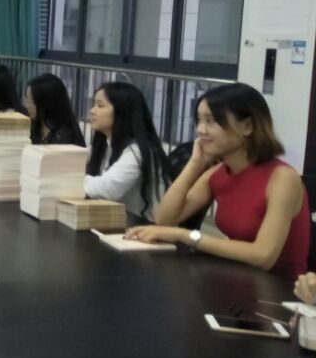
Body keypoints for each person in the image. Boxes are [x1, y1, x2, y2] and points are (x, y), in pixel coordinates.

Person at [126, 83, 311, 278]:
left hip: (280, 289)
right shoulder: (218, 173)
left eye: (211, 121)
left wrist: (186, 236)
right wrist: (195, 164)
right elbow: (164, 219)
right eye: (199, 120)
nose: (201, 130)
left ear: (247, 126)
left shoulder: (283, 178)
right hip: (239, 278)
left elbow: (264, 256)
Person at [84, 82, 171, 221]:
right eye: (94, 105)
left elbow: (107, 189)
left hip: (145, 226)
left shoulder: (138, 151)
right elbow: (77, 160)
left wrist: (69, 180)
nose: (92, 111)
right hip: (118, 222)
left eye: (100, 105)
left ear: (121, 112)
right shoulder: (105, 143)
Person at [24, 73, 85, 146]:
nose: (27, 105)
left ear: (48, 103)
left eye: (33, 101)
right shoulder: (36, 124)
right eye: (27, 99)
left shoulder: (64, 137)